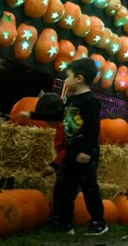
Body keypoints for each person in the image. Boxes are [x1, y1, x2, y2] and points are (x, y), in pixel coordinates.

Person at [18, 59, 106, 236]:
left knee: (89, 187)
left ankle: (98, 221)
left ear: (79, 78)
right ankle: (65, 223)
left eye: (68, 76)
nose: (65, 80)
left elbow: (93, 129)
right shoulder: (72, 99)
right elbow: (60, 115)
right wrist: (32, 114)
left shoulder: (89, 102)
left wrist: (87, 151)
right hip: (72, 148)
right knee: (63, 186)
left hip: (85, 151)